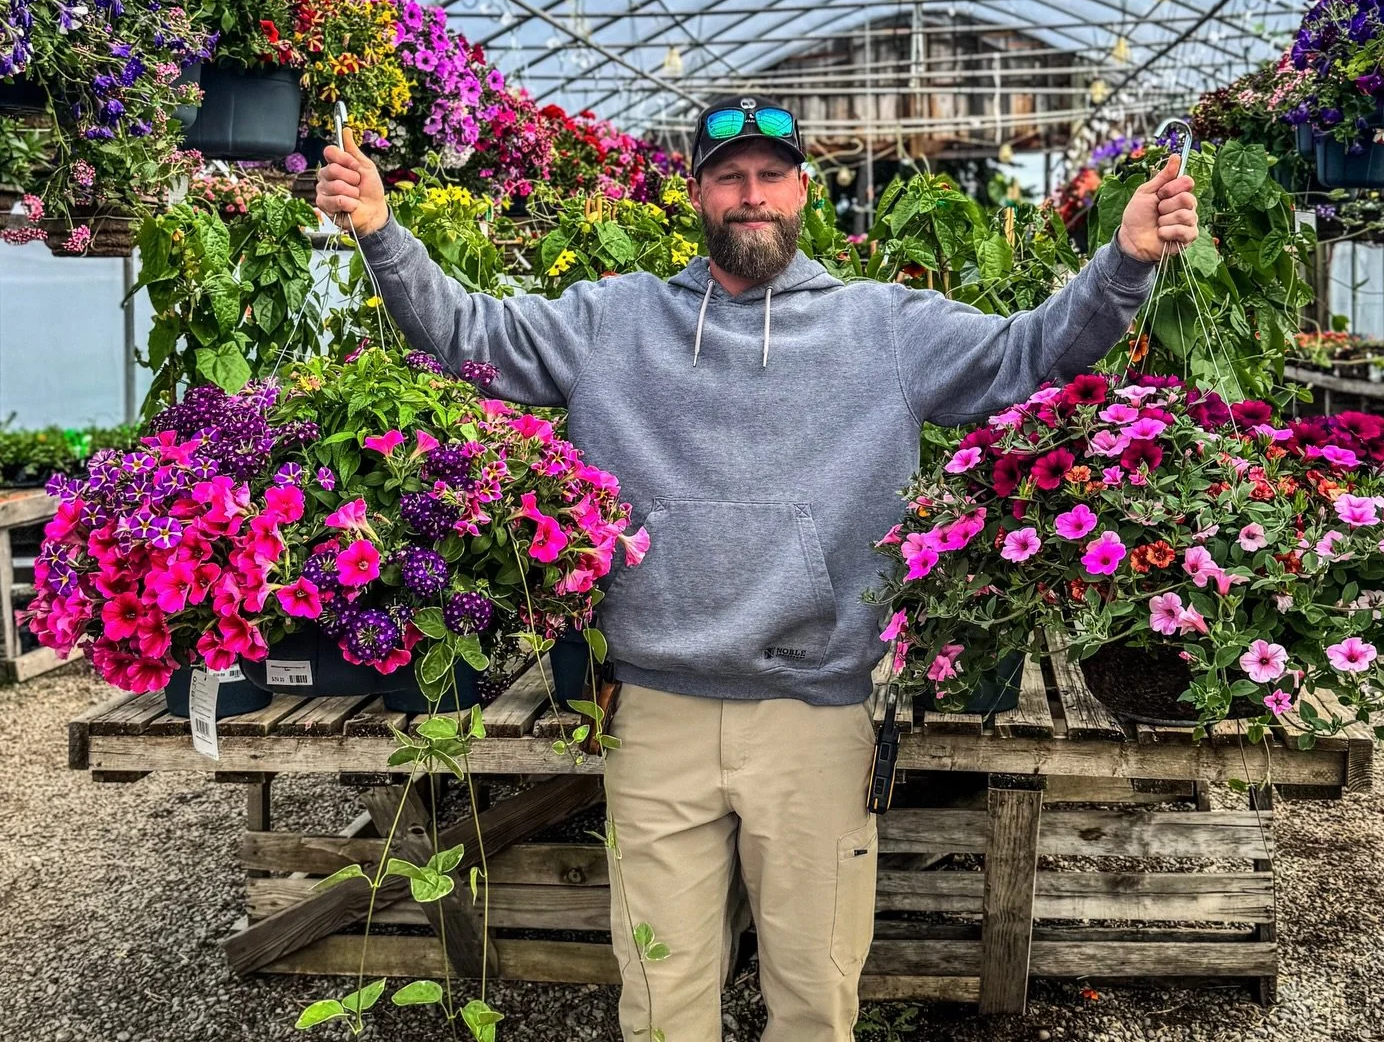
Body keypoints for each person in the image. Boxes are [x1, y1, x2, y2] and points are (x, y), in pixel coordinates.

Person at [316, 94, 1198, 1042]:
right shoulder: (615, 320)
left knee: (815, 998)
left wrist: (1127, 262)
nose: (751, 196)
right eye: (729, 177)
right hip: (654, 712)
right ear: (696, 192)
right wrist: (379, 228)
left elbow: (1027, 354)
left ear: (803, 191)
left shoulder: (884, 328)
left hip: (815, 714)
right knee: (660, 996)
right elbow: (471, 337)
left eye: (770, 176)